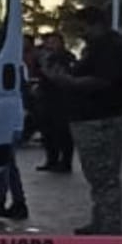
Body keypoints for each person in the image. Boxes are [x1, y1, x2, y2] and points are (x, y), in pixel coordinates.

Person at [42, 6, 122, 235]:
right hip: (94, 118)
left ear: (95, 24)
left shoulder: (111, 48)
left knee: (104, 174)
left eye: (82, 27)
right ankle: (102, 220)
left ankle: (110, 225)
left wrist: (66, 81)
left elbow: (102, 82)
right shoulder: (99, 47)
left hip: (103, 119)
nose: (80, 33)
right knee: (98, 175)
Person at [36, 31, 76, 172]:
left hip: (62, 98)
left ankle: (65, 161)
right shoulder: (46, 57)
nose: (50, 45)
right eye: (49, 42)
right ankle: (51, 159)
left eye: (54, 42)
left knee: (62, 131)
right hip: (47, 97)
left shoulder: (65, 57)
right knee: (48, 131)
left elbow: (60, 75)